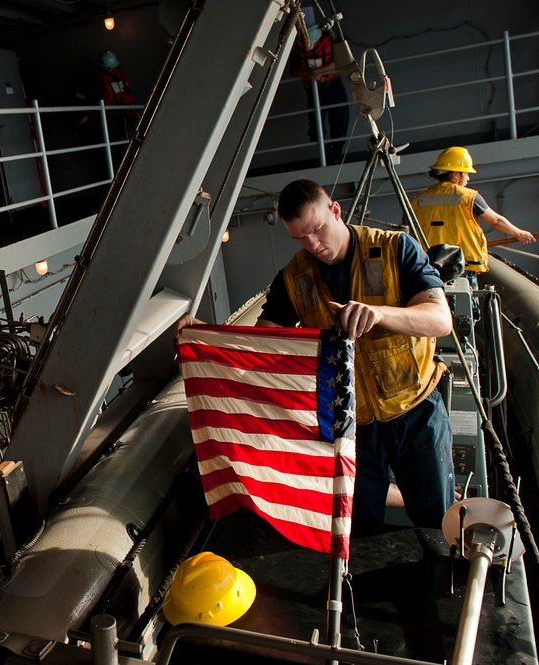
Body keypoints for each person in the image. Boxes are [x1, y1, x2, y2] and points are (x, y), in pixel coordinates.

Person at [177, 179, 455, 529]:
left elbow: (439, 319)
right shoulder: (295, 278)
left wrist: (380, 313)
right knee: (358, 529)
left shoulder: (395, 249)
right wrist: (206, 336)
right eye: (299, 238)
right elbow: (262, 342)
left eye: (318, 230)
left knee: (437, 520)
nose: (314, 245)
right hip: (353, 426)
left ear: (335, 210)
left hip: (416, 414)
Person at [411, 147, 536, 290]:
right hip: (463, 267)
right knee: (466, 308)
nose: (468, 178)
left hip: (429, 269)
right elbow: (496, 220)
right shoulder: (469, 197)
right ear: (456, 175)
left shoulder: (417, 201)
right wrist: (519, 233)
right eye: (466, 174)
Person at [290, 13, 350, 164]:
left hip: (333, 86)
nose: (306, 48)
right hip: (314, 88)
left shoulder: (330, 42)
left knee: (340, 119)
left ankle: (336, 152)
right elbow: (294, 70)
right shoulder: (299, 50)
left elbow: (340, 62)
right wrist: (312, 74)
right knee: (316, 124)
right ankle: (325, 151)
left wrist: (319, 72)